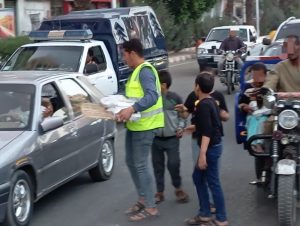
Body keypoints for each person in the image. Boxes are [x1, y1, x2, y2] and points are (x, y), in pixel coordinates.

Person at [115, 38, 164, 221]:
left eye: (124, 55)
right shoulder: (135, 72)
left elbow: (152, 96)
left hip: (146, 125)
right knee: (130, 161)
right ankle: (143, 198)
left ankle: (151, 207)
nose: (124, 59)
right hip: (135, 125)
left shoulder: (145, 72)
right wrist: (115, 106)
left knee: (141, 165)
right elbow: (129, 96)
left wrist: (131, 109)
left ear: (132, 53)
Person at [186, 72, 228, 226]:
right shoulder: (210, 101)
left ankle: (221, 218)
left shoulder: (203, 105)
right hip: (213, 146)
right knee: (199, 178)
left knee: (212, 182)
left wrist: (202, 154)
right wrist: (187, 130)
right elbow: (204, 125)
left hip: (210, 148)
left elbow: (207, 131)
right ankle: (204, 213)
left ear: (197, 86)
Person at [151, 70, 189, 204]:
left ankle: (178, 188)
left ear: (164, 84)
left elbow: (183, 117)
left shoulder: (175, 99)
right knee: (157, 166)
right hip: (155, 139)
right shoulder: (152, 98)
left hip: (172, 139)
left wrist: (180, 128)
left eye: (157, 83)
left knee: (174, 164)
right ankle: (159, 192)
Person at [239, 62, 270, 153]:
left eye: (260, 77)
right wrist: (245, 107)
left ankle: (259, 143)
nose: (257, 81)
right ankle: (253, 143)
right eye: (254, 77)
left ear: (265, 75)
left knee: (263, 122)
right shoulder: (248, 88)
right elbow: (241, 102)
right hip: (252, 114)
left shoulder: (269, 87)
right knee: (252, 121)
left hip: (265, 114)